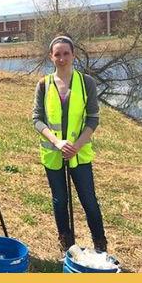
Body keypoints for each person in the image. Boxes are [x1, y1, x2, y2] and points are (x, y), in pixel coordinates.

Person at [33, 36, 108, 252]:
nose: (62, 58)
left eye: (66, 53)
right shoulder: (43, 84)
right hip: (53, 155)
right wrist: (56, 142)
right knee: (59, 201)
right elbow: (37, 119)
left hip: (80, 154)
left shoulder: (86, 83)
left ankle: (100, 245)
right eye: (57, 54)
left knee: (89, 201)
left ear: (73, 55)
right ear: (51, 57)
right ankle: (67, 246)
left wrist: (76, 145)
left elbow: (93, 118)